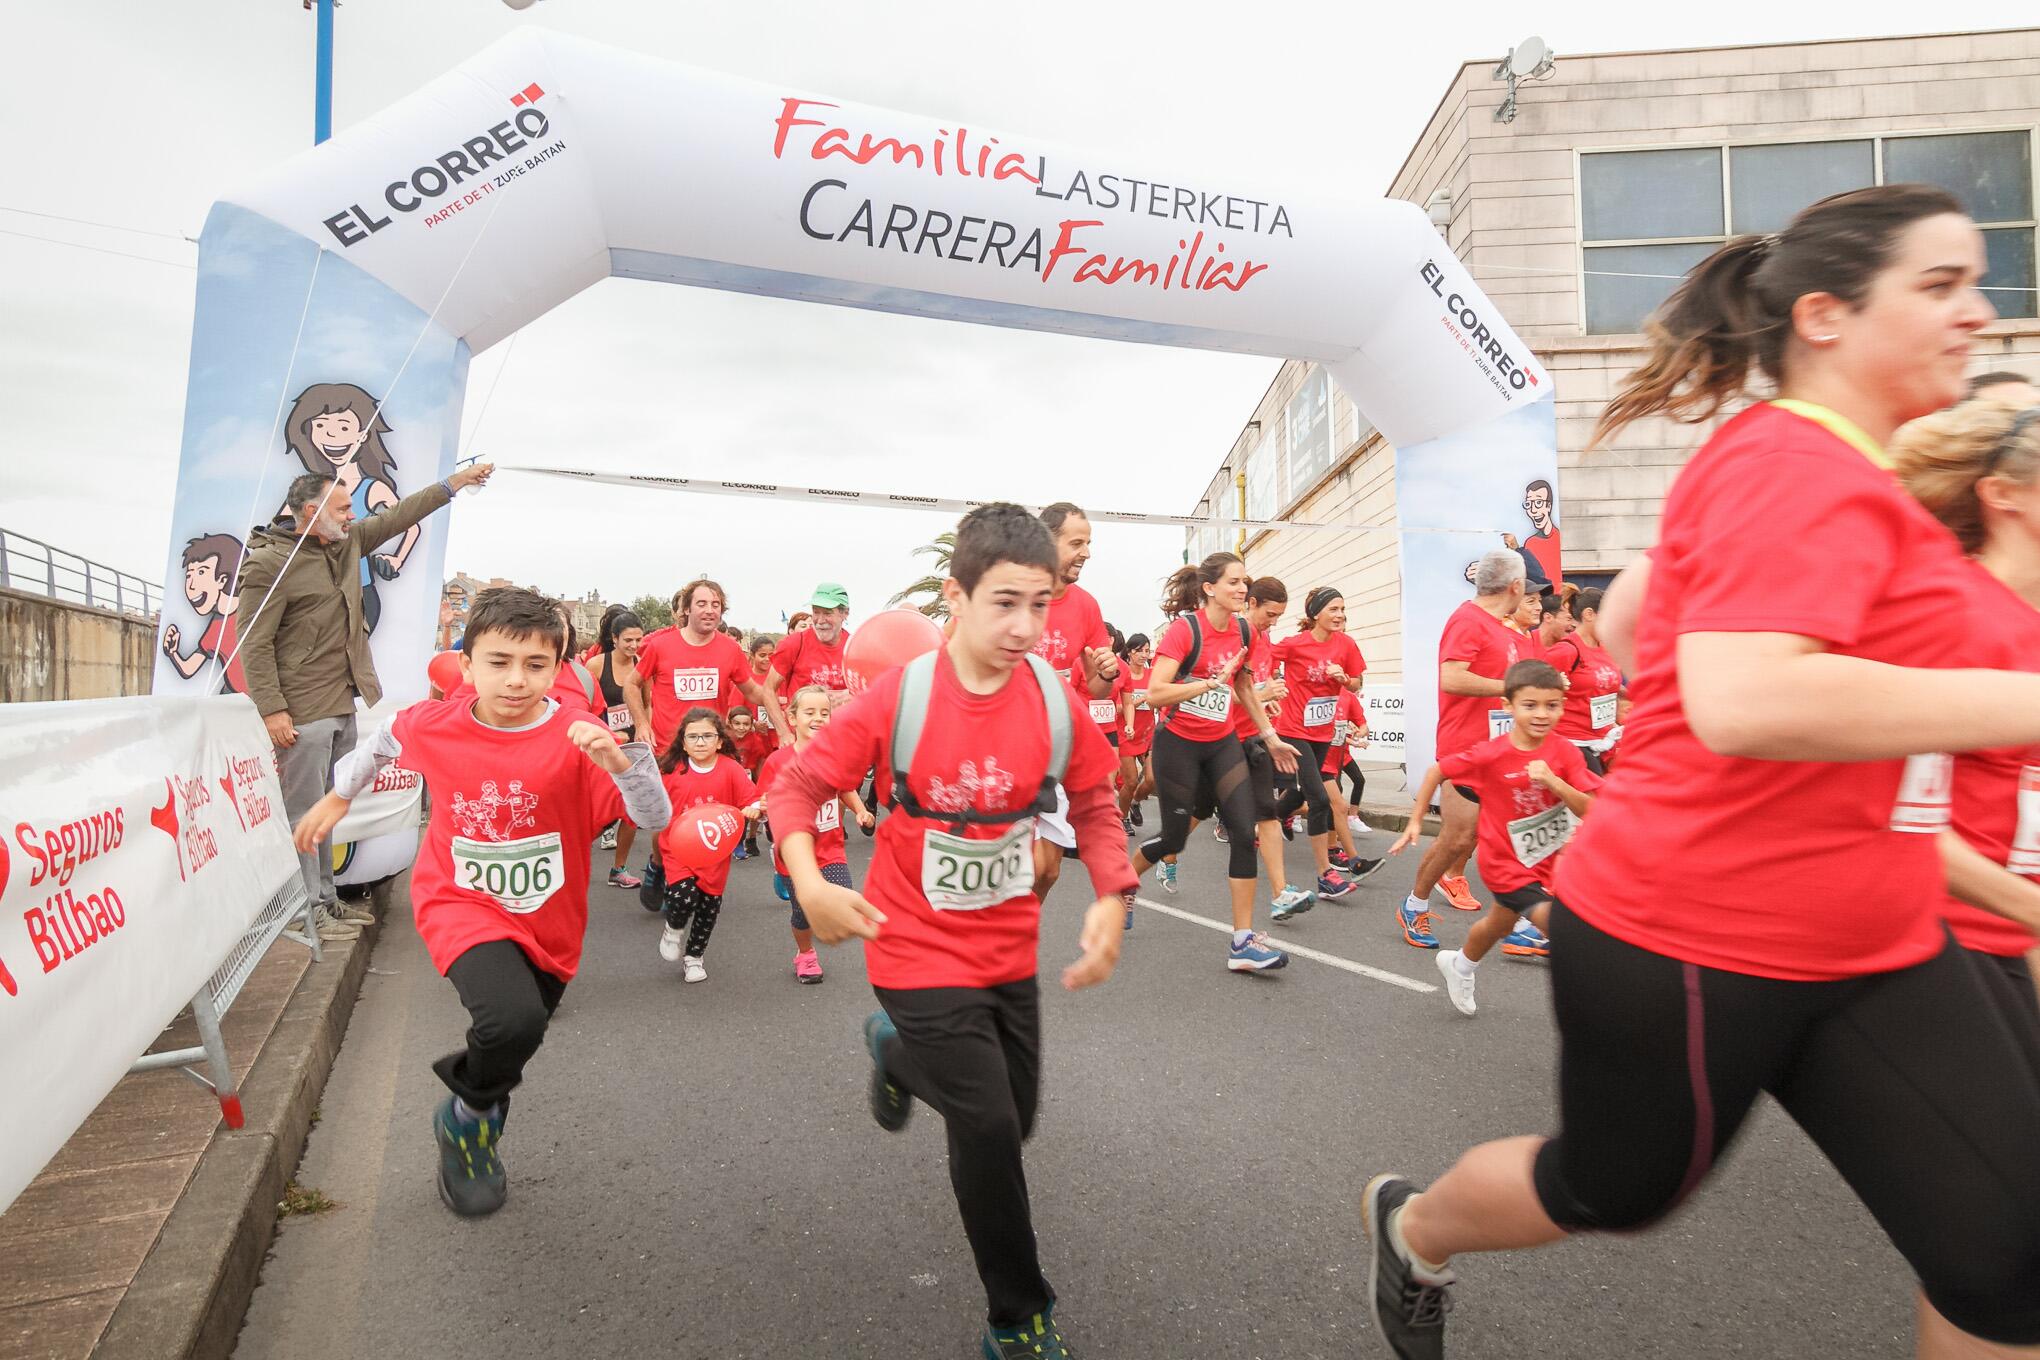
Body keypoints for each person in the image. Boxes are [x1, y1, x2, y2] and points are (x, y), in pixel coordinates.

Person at [1362, 185, 2040, 1360]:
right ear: (1825, 316)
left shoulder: (1847, 481)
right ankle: (1414, 1225)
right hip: (1691, 938)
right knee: (1612, 1191)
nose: (1977, 314)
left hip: (1872, 934)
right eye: (1941, 286)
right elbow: (1744, 697)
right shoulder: (1794, 462)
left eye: (1974, 284)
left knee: (2007, 1254)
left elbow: (1630, 626)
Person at [767, 503, 1132, 1360]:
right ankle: (1018, 1314)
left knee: (1015, 1119)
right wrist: (812, 881)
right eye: (1004, 602)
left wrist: (1113, 894)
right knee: (992, 1128)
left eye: (1040, 605)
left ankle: (893, 1054)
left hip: (1006, 948)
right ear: (954, 598)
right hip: (911, 943)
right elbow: (796, 787)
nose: (1025, 626)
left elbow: (1097, 801)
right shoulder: (903, 697)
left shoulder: (1055, 697)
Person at [291, 587, 670, 1217]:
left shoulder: (581, 736)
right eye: (498, 662)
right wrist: (337, 798)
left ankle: (478, 1110)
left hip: (549, 919)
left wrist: (626, 762)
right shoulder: (433, 722)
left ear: (559, 669)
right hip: (457, 900)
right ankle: (468, 1120)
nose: (516, 680)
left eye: (535, 665)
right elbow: (381, 745)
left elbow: (653, 817)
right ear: (466, 665)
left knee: (523, 1028)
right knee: (510, 1022)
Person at [238, 463, 492, 940]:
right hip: (301, 711)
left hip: (340, 700)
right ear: (312, 513)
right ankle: (302, 915)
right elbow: (253, 643)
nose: (352, 514)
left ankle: (326, 902)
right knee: (303, 814)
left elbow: (398, 517)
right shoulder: (268, 564)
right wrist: (272, 709)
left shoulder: (344, 543)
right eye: (342, 507)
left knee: (329, 808)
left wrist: (453, 484)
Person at [1891, 399, 2040, 1024]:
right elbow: (1904, 823)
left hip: (2013, 942)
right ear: (2003, 495)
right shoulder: (1956, 618)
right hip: (1947, 950)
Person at [1390, 659, 1599, 1014]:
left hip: (1547, 862)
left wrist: (1554, 782)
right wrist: (1415, 819)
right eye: (1530, 705)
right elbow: (1438, 770)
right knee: (1561, 926)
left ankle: (1459, 965)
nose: (1541, 714)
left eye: (1552, 705)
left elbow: (1591, 809)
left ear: (1563, 705)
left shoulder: (1565, 753)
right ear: (1508, 706)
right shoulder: (1492, 754)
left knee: (1495, 927)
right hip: (1504, 865)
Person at [1128, 553, 1300, 970]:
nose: (1243, 589)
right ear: (1209, 588)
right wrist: (1203, 684)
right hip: (1179, 745)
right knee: (1174, 839)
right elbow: (1155, 693)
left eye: (1245, 582)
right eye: (1234, 583)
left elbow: (1241, 682)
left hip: (1222, 741)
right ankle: (1121, 885)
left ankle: (1242, 942)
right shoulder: (1184, 632)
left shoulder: (1243, 629)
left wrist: (1270, 735)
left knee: (1244, 831)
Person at [1396, 549, 1527, 951]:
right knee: (1458, 838)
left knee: (1515, 835)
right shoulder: (1468, 620)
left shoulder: (1505, 629)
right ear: (1516, 587)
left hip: (1504, 749)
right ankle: (1414, 904)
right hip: (1465, 748)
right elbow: (1452, 678)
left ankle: (1522, 919)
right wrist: (1511, 688)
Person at [1029, 503, 1121, 904]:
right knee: (1010, 867)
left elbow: (1099, 689)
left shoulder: (1085, 605)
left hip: (1055, 748)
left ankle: (1010, 945)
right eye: (1077, 543)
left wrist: (1106, 670)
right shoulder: (1011, 592)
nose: (1087, 553)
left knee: (1048, 870)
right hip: (1002, 746)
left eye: (1089, 543)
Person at [756, 683, 874, 985]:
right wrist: (761, 808)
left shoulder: (835, 756)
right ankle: (805, 953)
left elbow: (845, 787)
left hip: (830, 847)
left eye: (825, 712)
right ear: (792, 718)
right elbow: (764, 798)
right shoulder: (777, 761)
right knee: (802, 913)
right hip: (794, 853)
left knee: (842, 889)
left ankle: (828, 919)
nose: (818, 718)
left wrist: (860, 810)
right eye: (810, 712)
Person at [1273, 586, 1378, 897]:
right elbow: (1262, 659)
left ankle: (1275, 814)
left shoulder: (1346, 644)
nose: (1340, 615)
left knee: (1303, 790)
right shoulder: (1295, 645)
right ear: (1315, 613)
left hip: (1323, 732)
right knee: (1319, 799)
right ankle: (1325, 874)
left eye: (1342, 609)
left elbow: (1357, 682)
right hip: (1293, 728)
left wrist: (1345, 679)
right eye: (1333, 609)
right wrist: (1267, 689)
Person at [626, 578, 792, 759]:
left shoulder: (731, 649)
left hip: (712, 751)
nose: (709, 611)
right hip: (669, 752)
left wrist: (782, 704)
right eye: (701, 604)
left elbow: (752, 691)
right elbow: (632, 684)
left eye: (715, 605)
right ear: (687, 609)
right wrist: (641, 724)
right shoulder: (660, 646)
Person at [655, 707, 761, 983]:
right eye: (693, 737)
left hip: (714, 853)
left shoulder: (731, 769)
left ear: (720, 741)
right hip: (678, 849)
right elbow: (652, 803)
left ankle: (694, 957)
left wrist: (753, 809)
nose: (700, 742)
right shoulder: (671, 770)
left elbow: (751, 800)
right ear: (683, 742)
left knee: (708, 907)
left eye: (706, 736)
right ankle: (674, 928)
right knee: (683, 895)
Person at [591, 609, 647, 887]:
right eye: (628, 640)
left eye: (638, 640)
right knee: (600, 810)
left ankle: (619, 868)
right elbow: (587, 708)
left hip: (634, 747)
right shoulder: (597, 665)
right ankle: (572, 854)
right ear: (614, 639)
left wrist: (646, 729)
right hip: (603, 748)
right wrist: (607, 733)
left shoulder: (643, 664)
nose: (634, 646)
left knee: (632, 810)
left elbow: (647, 704)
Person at [1545, 589, 1624, 774]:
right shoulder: (1566, 651)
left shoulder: (1605, 648)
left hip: (1604, 738)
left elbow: (1606, 686)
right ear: (1589, 614)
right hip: (1572, 741)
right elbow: (1536, 690)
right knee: (1593, 799)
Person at [161, 532, 249, 694]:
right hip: (234, 698)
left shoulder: (255, 610)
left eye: (201, 572)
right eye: (189, 575)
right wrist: (172, 653)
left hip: (266, 701)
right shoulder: (215, 627)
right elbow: (188, 669)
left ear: (222, 580)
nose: (191, 585)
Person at [766, 585, 856, 707]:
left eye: (827, 613)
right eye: (816, 612)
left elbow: (877, 692)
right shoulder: (794, 643)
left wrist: (856, 695)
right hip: (798, 726)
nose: (820, 620)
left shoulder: (856, 648)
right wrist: (783, 726)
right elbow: (768, 690)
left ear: (845, 613)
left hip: (842, 725)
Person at [1117, 633, 1157, 830]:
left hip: (1148, 734)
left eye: (1147, 651)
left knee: (1152, 779)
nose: (1143, 655)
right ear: (1130, 652)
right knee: (1131, 781)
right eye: (1139, 650)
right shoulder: (1122, 674)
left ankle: (1135, 802)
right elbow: (1117, 707)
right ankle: (1122, 818)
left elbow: (1161, 698)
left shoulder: (1153, 675)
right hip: (1126, 734)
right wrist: (1139, 700)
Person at [727, 706, 775, 859]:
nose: (741, 728)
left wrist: (759, 786)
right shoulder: (724, 739)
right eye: (737, 724)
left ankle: (744, 841)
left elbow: (760, 762)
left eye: (746, 724)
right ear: (730, 723)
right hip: (728, 779)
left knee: (747, 811)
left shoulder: (755, 740)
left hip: (747, 778)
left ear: (751, 725)